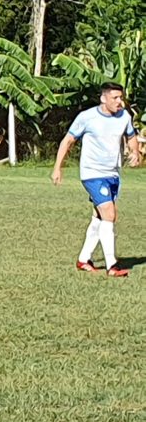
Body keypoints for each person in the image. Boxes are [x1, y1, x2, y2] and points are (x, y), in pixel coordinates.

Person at [52, 81, 141, 277]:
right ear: (103, 98)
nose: (119, 102)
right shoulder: (87, 117)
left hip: (113, 174)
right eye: (114, 98)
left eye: (120, 98)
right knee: (109, 213)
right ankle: (112, 265)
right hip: (92, 174)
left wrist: (135, 152)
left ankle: (84, 259)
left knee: (99, 217)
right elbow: (68, 140)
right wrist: (58, 167)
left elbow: (131, 136)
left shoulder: (124, 116)